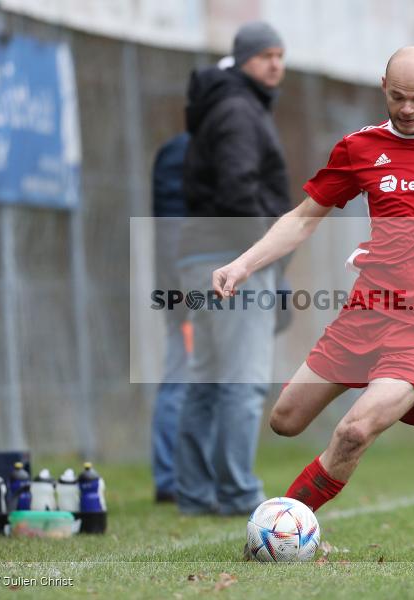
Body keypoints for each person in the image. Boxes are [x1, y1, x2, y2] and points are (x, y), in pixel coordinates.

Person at [213, 46, 414, 516]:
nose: (407, 109)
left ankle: (283, 525)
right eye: (398, 98)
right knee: (285, 420)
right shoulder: (359, 148)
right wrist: (243, 265)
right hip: (371, 308)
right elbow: (305, 218)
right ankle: (375, 373)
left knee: (353, 431)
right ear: (383, 89)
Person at [175, 21, 290, 515]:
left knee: (207, 379)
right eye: (265, 55)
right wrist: (262, 258)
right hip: (232, 258)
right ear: (242, 60)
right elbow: (239, 190)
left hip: (200, 255)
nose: (275, 64)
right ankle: (239, 493)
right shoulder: (240, 110)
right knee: (243, 382)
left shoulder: (224, 104)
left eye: (280, 56)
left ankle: (196, 492)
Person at [150, 132, 190, 503]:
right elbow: (174, 227)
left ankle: (184, 474)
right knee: (182, 380)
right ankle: (171, 477)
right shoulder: (184, 152)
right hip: (189, 289)